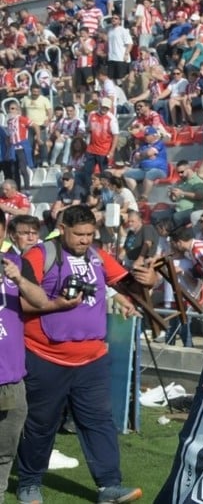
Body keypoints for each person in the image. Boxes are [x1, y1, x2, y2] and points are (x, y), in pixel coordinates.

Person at [16, 205, 144, 504]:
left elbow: (123, 283)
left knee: (99, 422)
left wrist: (128, 293)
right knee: (41, 424)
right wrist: (56, 304)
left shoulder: (97, 256)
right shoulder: (39, 255)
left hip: (92, 359)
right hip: (45, 356)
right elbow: (19, 302)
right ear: (62, 229)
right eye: (79, 234)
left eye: (89, 234)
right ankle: (29, 483)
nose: (85, 240)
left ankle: (109, 486)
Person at [0, 213, 81, 497]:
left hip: (10, 375)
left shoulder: (15, 264)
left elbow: (39, 300)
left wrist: (18, 279)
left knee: (5, 449)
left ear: (3, 233)